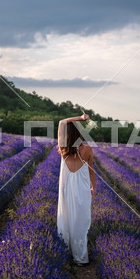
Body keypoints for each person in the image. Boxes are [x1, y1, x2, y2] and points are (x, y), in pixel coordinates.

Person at [57, 113, 96, 266]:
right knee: (80, 223)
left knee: (66, 219)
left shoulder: (63, 148)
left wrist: (79, 118)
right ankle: (80, 257)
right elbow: (91, 170)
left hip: (66, 188)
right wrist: (93, 186)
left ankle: (65, 254)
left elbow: (62, 122)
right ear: (79, 133)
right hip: (82, 189)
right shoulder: (87, 149)